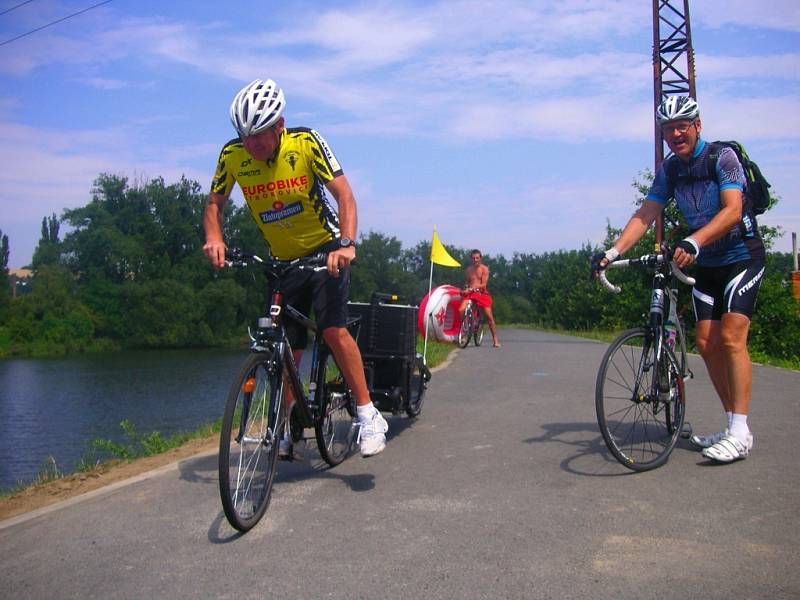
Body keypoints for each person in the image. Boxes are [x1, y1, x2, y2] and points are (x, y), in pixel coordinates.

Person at [203, 78, 388, 458]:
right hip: (282, 261)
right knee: (284, 346)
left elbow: (345, 195)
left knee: (333, 330)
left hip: (325, 252)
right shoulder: (232, 156)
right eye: (245, 135)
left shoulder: (305, 144)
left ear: (280, 125)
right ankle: (289, 424)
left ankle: (369, 415)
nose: (251, 144)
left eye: (259, 135)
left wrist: (347, 244)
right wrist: (215, 238)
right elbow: (214, 205)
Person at [591, 96, 765, 464]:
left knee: (732, 338)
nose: (675, 133)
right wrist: (612, 253)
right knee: (706, 343)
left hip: (741, 257)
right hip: (708, 264)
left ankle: (740, 431)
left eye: (682, 125)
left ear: (698, 125)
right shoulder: (671, 170)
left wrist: (695, 239)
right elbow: (646, 213)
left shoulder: (722, 158)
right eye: (668, 128)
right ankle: (733, 424)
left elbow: (733, 209)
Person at [459, 249, 501, 347]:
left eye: (477, 258)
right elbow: (467, 282)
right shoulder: (468, 270)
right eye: (473, 258)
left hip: (481, 293)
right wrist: (465, 289)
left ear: (480, 258)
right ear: (471, 259)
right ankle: (465, 332)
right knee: (461, 309)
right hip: (470, 293)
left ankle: (495, 339)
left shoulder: (484, 269)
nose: (475, 260)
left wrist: (473, 288)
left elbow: (484, 285)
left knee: (489, 316)